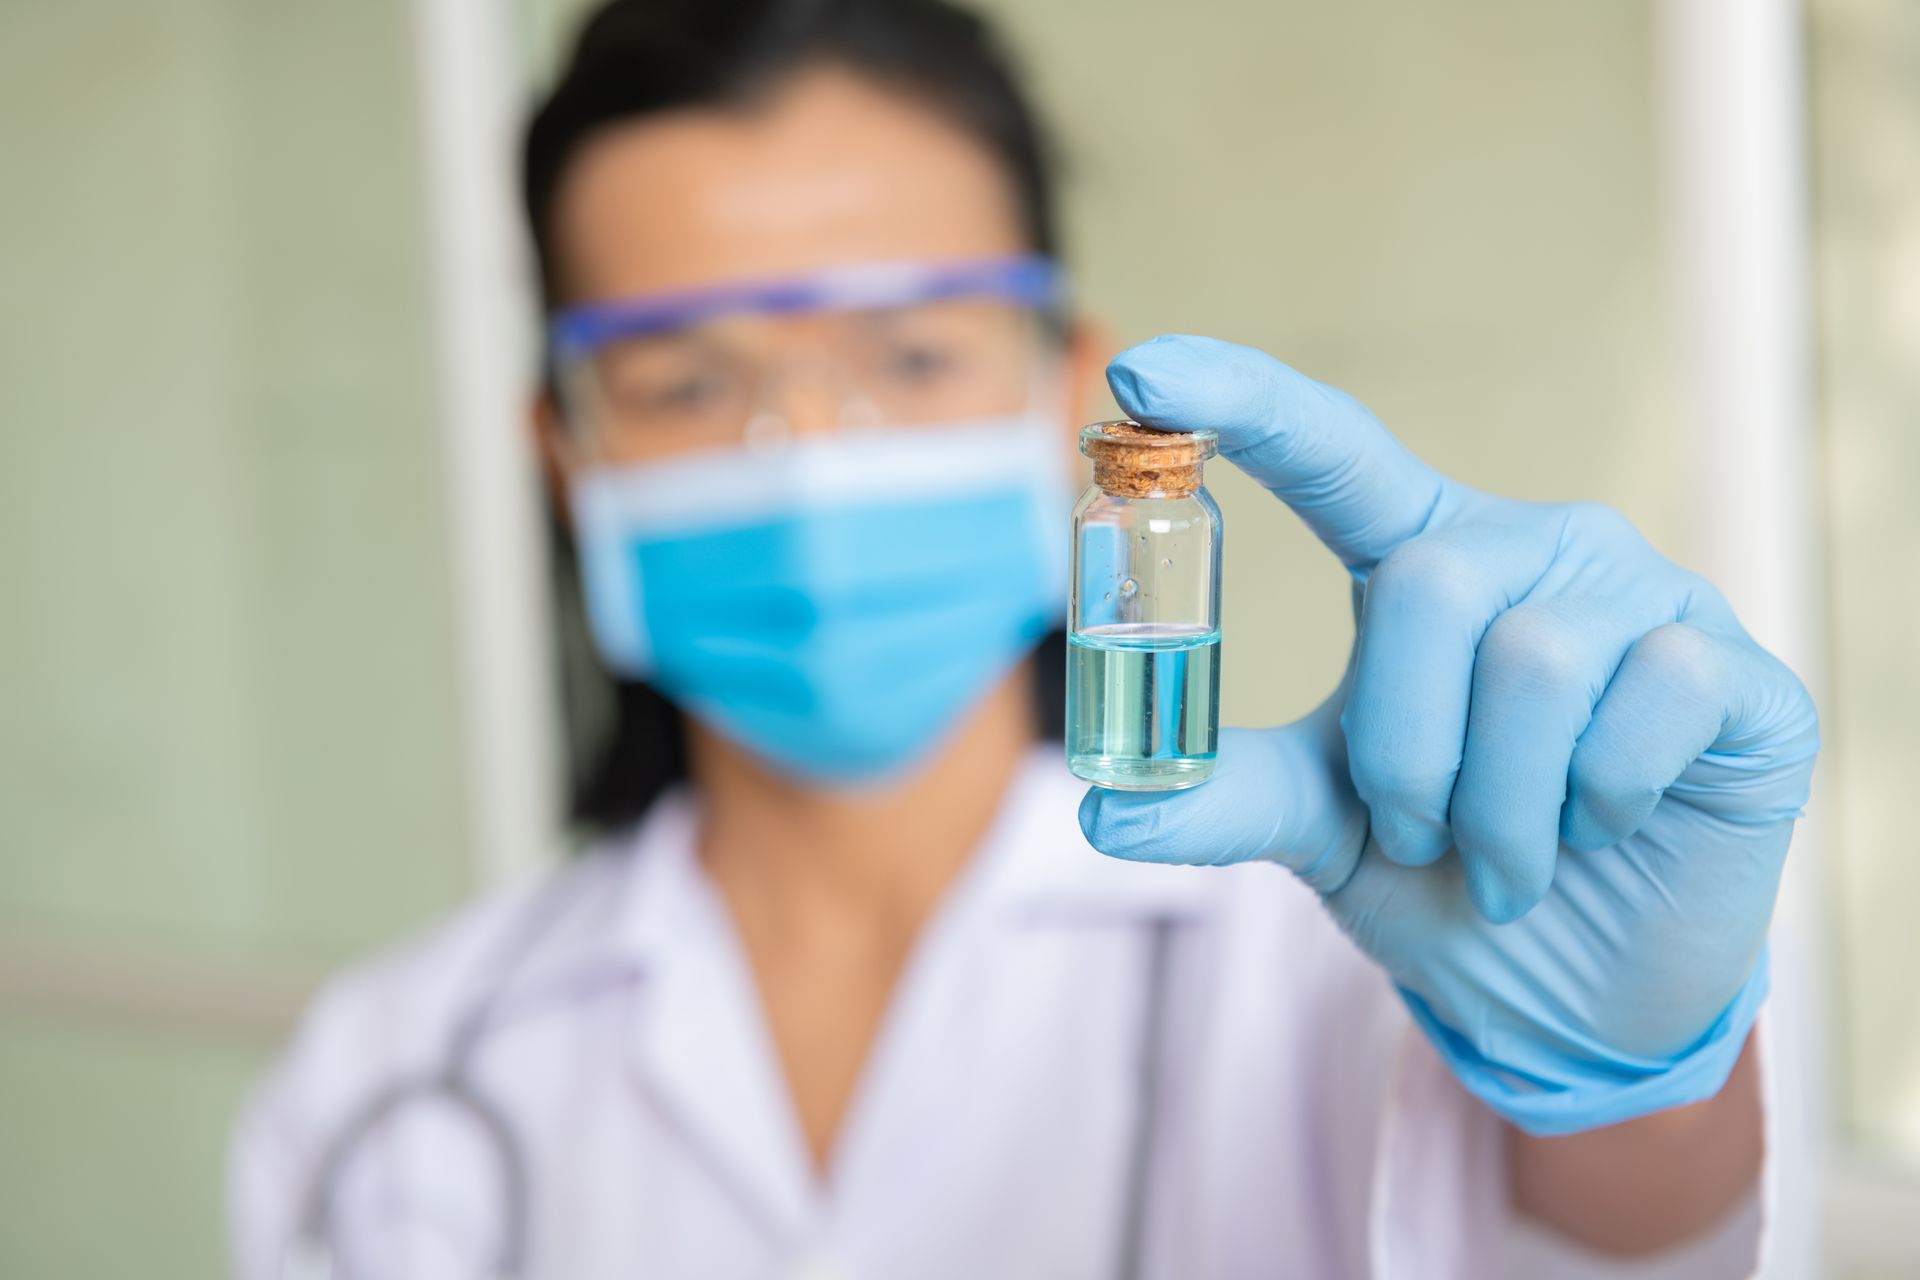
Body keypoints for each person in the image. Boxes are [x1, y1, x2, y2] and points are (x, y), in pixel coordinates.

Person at [228, 1, 1819, 1276]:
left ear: (1072, 386)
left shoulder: (1336, 966)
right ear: (567, 449)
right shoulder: (393, 1071)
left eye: (913, 355)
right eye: (691, 384)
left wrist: (1636, 1075)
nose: (810, 454)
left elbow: (1632, 1240)